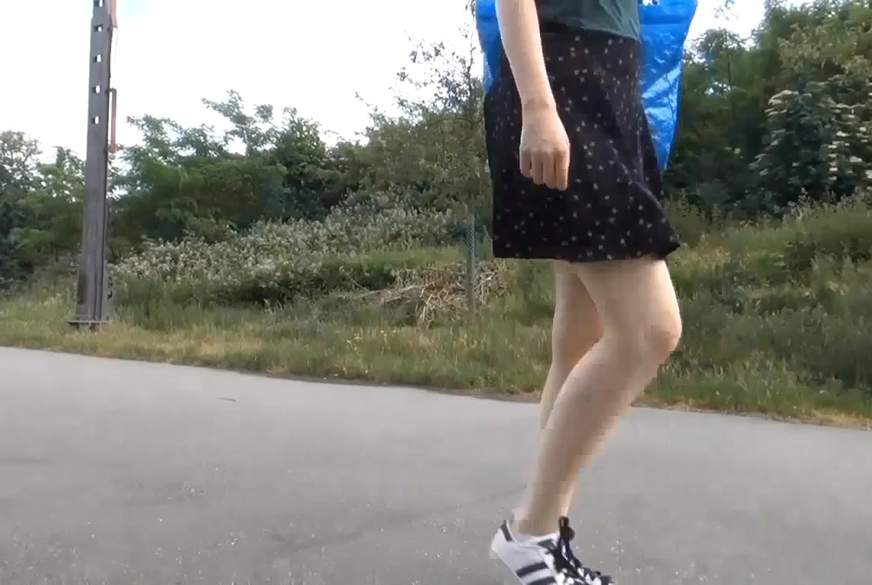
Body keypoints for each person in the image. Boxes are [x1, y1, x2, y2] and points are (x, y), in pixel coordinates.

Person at [480, 1, 685, 583]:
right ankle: (530, 533)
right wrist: (539, 107)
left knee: (580, 338)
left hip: (610, 87)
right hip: (565, 84)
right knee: (650, 331)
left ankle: (547, 533)